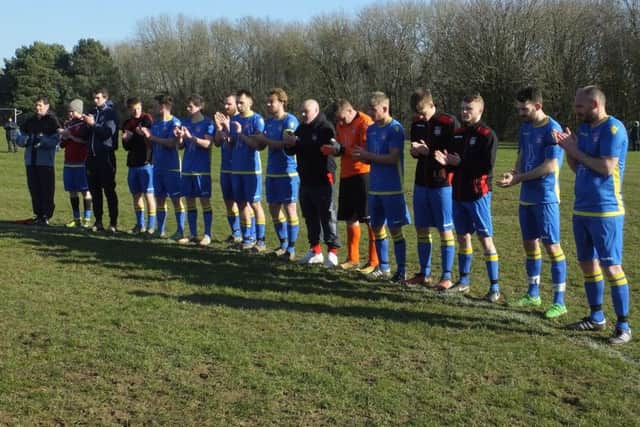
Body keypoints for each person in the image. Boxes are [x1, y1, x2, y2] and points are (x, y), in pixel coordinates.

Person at [554, 86, 632, 345]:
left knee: (611, 266)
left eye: (580, 107)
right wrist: (569, 148)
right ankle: (596, 317)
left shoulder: (614, 129)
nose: (576, 111)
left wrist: (575, 150)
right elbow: (579, 167)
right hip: (582, 207)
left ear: (595, 105)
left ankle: (623, 326)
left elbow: (606, 167)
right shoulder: (586, 129)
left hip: (606, 210)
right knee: (587, 264)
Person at [496, 87, 568, 318]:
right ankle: (533, 293)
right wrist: (514, 172)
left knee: (552, 246)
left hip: (545, 198)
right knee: (530, 245)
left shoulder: (552, 129)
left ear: (538, 106)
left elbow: (550, 166)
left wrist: (519, 178)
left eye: (524, 108)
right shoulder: (526, 127)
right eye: (518, 108)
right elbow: (522, 155)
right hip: (526, 197)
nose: (520, 112)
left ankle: (559, 301)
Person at [434, 94, 501, 302]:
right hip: (458, 193)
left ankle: (494, 288)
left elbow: (486, 167)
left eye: (469, 109)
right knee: (463, 237)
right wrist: (444, 161)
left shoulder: (487, 135)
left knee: (485, 239)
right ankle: (463, 281)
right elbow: (453, 161)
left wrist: (459, 163)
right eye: (463, 108)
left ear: (480, 111)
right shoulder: (458, 134)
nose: (464, 112)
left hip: (477, 194)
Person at [351, 92, 410, 282]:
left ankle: (401, 270)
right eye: (369, 109)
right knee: (376, 226)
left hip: (392, 188)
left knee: (395, 229)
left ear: (385, 108)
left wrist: (368, 156)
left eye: (373, 109)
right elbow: (372, 155)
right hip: (375, 187)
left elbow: (393, 158)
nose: (370, 112)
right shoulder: (371, 129)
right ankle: (383, 267)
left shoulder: (395, 129)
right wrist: (362, 155)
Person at [405, 89, 458, 289]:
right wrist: (415, 151)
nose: (419, 116)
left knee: (445, 230)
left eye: (422, 112)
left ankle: (446, 276)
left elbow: (454, 153)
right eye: (416, 113)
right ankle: (423, 273)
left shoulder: (448, 122)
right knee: (421, 228)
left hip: (442, 183)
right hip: (421, 182)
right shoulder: (416, 123)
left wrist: (429, 151)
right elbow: (416, 151)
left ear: (431, 104)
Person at [321, 98, 379, 273]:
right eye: (337, 120)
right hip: (346, 174)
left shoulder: (365, 122)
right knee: (350, 218)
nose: (339, 122)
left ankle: (373, 261)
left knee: (368, 219)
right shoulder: (340, 124)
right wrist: (334, 150)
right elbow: (341, 148)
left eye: (341, 118)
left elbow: (362, 151)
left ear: (349, 110)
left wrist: (340, 150)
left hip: (363, 174)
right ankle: (352, 258)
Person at [284, 99, 340, 267]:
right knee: (309, 215)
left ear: (316, 110)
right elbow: (294, 149)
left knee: (327, 215)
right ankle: (315, 250)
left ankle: (332, 253)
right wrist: (289, 144)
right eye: (301, 111)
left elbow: (321, 149)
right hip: (306, 178)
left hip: (323, 177)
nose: (302, 114)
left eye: (305, 111)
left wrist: (298, 143)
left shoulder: (326, 128)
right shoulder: (302, 128)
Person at [247, 88, 300, 260]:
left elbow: (285, 144)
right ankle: (283, 244)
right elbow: (262, 146)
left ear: (282, 102)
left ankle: (291, 249)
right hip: (272, 172)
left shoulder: (290, 121)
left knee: (290, 208)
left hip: (288, 172)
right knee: (273, 208)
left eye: (272, 102)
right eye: (267, 102)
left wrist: (265, 140)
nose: (268, 105)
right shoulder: (269, 122)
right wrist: (253, 138)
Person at [139, 94, 186, 241]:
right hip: (157, 166)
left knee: (176, 199)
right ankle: (161, 229)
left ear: (163, 106)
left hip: (171, 168)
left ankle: (180, 230)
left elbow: (173, 144)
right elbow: (152, 145)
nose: (153, 108)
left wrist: (152, 137)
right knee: (160, 199)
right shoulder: (156, 124)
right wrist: (145, 136)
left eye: (155, 105)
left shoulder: (175, 122)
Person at [229, 90, 267, 251]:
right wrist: (226, 134)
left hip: (252, 170)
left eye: (241, 102)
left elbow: (258, 145)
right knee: (241, 203)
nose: (238, 105)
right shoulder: (235, 119)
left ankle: (261, 240)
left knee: (255, 204)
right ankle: (247, 238)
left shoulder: (257, 120)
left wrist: (241, 134)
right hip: (236, 169)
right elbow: (232, 144)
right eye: (237, 102)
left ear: (250, 102)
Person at [14, 96, 61, 225]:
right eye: (36, 105)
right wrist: (25, 140)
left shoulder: (52, 121)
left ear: (47, 106)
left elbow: (57, 140)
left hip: (45, 161)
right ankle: (38, 214)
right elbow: (19, 135)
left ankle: (46, 215)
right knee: (34, 188)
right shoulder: (30, 120)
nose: (37, 108)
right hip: (30, 161)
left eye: (40, 105)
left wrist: (43, 141)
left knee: (46, 189)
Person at [177, 94, 215, 246]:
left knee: (204, 201)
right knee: (190, 201)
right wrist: (180, 138)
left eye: (191, 106)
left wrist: (190, 136)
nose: (188, 109)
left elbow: (208, 144)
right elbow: (180, 146)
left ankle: (207, 234)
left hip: (202, 169)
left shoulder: (208, 123)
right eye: (187, 106)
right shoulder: (184, 122)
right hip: (187, 168)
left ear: (200, 107)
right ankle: (192, 234)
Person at [85, 88, 119, 233]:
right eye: (93, 98)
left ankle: (113, 223)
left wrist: (93, 125)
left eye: (98, 98)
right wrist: (84, 124)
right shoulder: (92, 112)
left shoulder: (111, 113)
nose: (95, 101)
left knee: (109, 191)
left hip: (105, 157)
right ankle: (98, 221)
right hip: (91, 157)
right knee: (95, 191)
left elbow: (107, 133)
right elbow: (87, 134)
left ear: (105, 98)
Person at [122, 97, 156, 235]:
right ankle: (140, 225)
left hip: (146, 163)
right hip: (132, 163)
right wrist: (126, 139)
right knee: (136, 196)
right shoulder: (126, 123)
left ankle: (151, 226)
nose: (136, 111)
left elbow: (148, 138)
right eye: (133, 109)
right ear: (129, 109)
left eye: (138, 108)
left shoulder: (147, 118)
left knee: (149, 195)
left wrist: (138, 135)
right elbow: (126, 147)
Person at [213, 95, 242, 243]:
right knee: (229, 202)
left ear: (237, 104)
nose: (225, 107)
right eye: (224, 104)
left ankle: (248, 234)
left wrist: (228, 126)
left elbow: (236, 141)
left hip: (239, 169)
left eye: (228, 104)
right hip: (225, 168)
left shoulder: (241, 119)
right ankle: (236, 233)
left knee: (243, 203)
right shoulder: (223, 120)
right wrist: (219, 127)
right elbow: (217, 142)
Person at [60, 99, 93, 228]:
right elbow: (63, 144)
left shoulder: (84, 124)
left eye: (71, 111)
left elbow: (85, 141)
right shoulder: (68, 124)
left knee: (85, 191)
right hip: (69, 162)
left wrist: (71, 136)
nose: (69, 114)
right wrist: (63, 136)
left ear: (78, 111)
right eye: (69, 111)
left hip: (82, 162)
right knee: (72, 191)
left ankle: (87, 218)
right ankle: (76, 218)